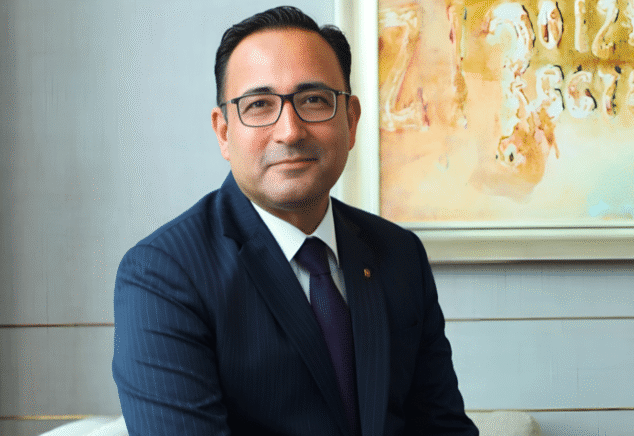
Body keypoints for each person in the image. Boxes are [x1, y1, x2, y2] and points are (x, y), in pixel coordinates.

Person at [112, 6, 478, 436]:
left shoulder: (399, 254)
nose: (290, 131)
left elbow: (442, 426)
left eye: (314, 100)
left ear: (351, 120)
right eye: (259, 104)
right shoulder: (164, 275)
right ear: (224, 132)